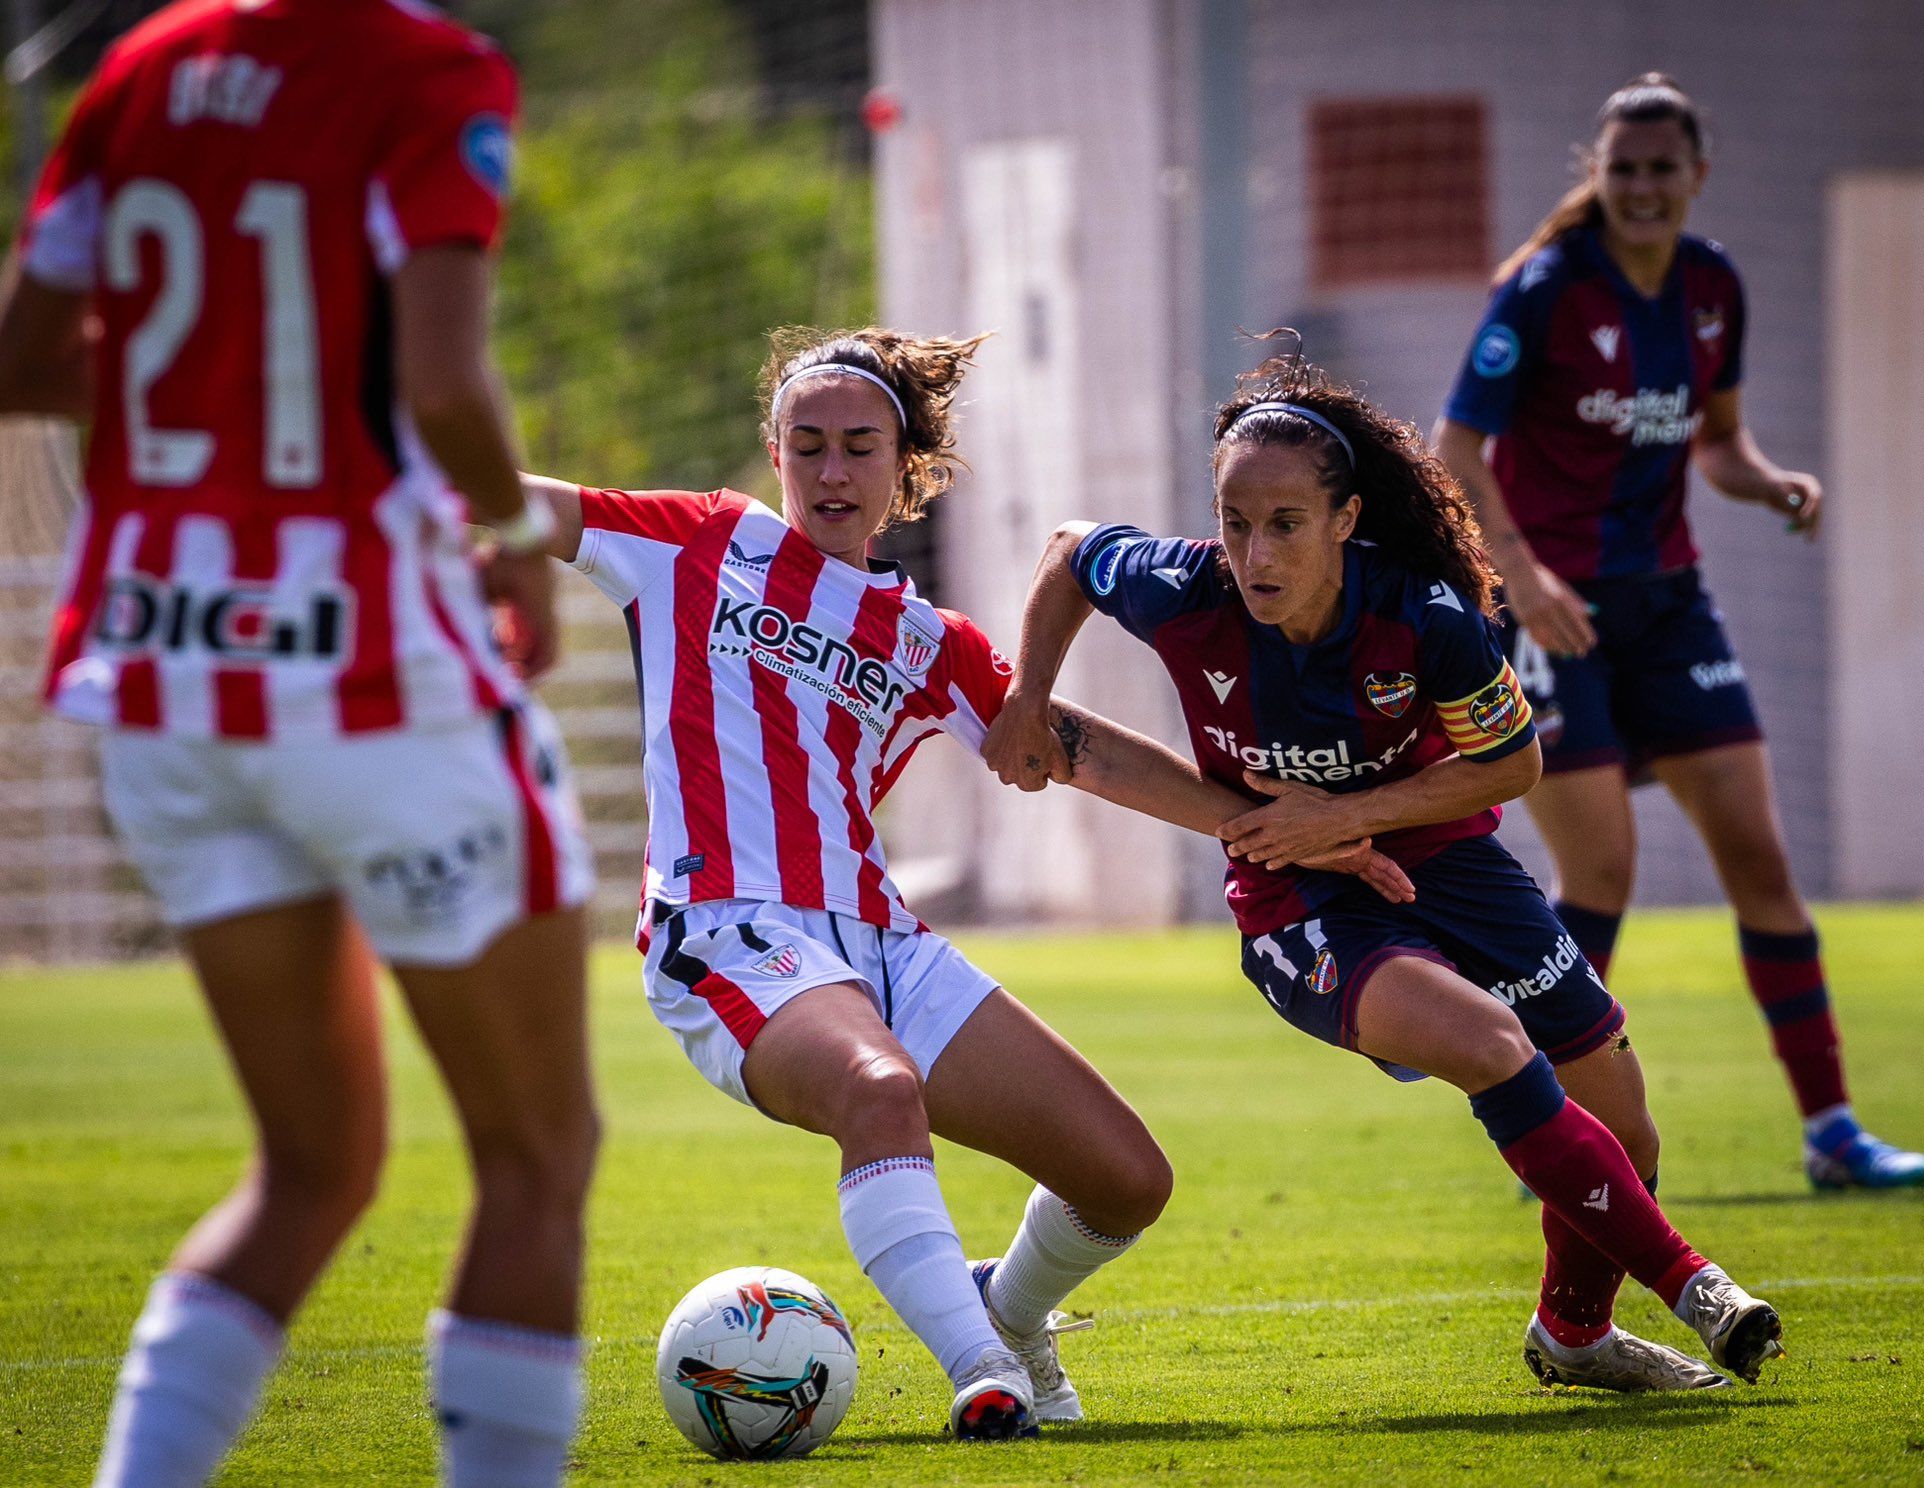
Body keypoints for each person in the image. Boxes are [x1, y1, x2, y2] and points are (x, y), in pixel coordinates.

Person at [513, 325, 1409, 1438]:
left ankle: (1007, 1308)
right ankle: (982, 1370)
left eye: (858, 446)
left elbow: (1066, 744)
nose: (832, 471)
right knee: (877, 1091)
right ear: (773, 449)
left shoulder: (924, 637)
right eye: (808, 446)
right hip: (725, 928)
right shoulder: (696, 543)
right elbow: (511, 501)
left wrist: (1269, 829)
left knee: (1125, 1181)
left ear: (904, 465)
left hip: (878, 943)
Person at [0, 3, 599, 1484]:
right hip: (370, 678)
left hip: (161, 682)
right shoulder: (423, 66)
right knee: (535, 1159)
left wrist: (214, 391)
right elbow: (448, 387)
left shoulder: (138, 69)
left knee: (311, 1170)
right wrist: (519, 538)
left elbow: (23, 358)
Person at [983, 346, 1788, 1393]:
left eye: (1283, 524)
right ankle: (1697, 1286)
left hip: (1445, 859)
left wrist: (1347, 813)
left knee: (1621, 1111)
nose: (1253, 552)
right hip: (1295, 897)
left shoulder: (1427, 617)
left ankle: (1575, 1337)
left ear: (1345, 520)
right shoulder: (1181, 587)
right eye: (1233, 522)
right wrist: (1025, 697)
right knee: (1489, 1043)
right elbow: (1065, 552)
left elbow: (1511, 761)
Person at [1430, 74, 1924, 1192]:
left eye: (1660, 169)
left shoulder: (1711, 288)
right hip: (1548, 609)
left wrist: (1770, 484)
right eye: (1621, 169)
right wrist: (1520, 576)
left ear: (1694, 176)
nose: (1641, 187)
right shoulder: (1545, 291)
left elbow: (1715, 445)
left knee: (1757, 856)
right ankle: (1547, 1128)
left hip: (1667, 602)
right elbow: (1451, 451)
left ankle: (1833, 1130)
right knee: (1601, 866)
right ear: (1595, 178)